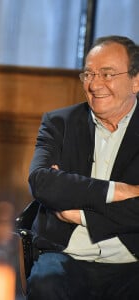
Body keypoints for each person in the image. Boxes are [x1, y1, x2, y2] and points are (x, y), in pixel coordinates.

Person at [27, 35, 139, 300]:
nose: (95, 84)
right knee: (45, 284)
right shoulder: (59, 123)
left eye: (107, 74)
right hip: (67, 257)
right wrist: (118, 191)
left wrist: (83, 216)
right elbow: (42, 182)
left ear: (136, 80)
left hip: (131, 261)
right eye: (88, 74)